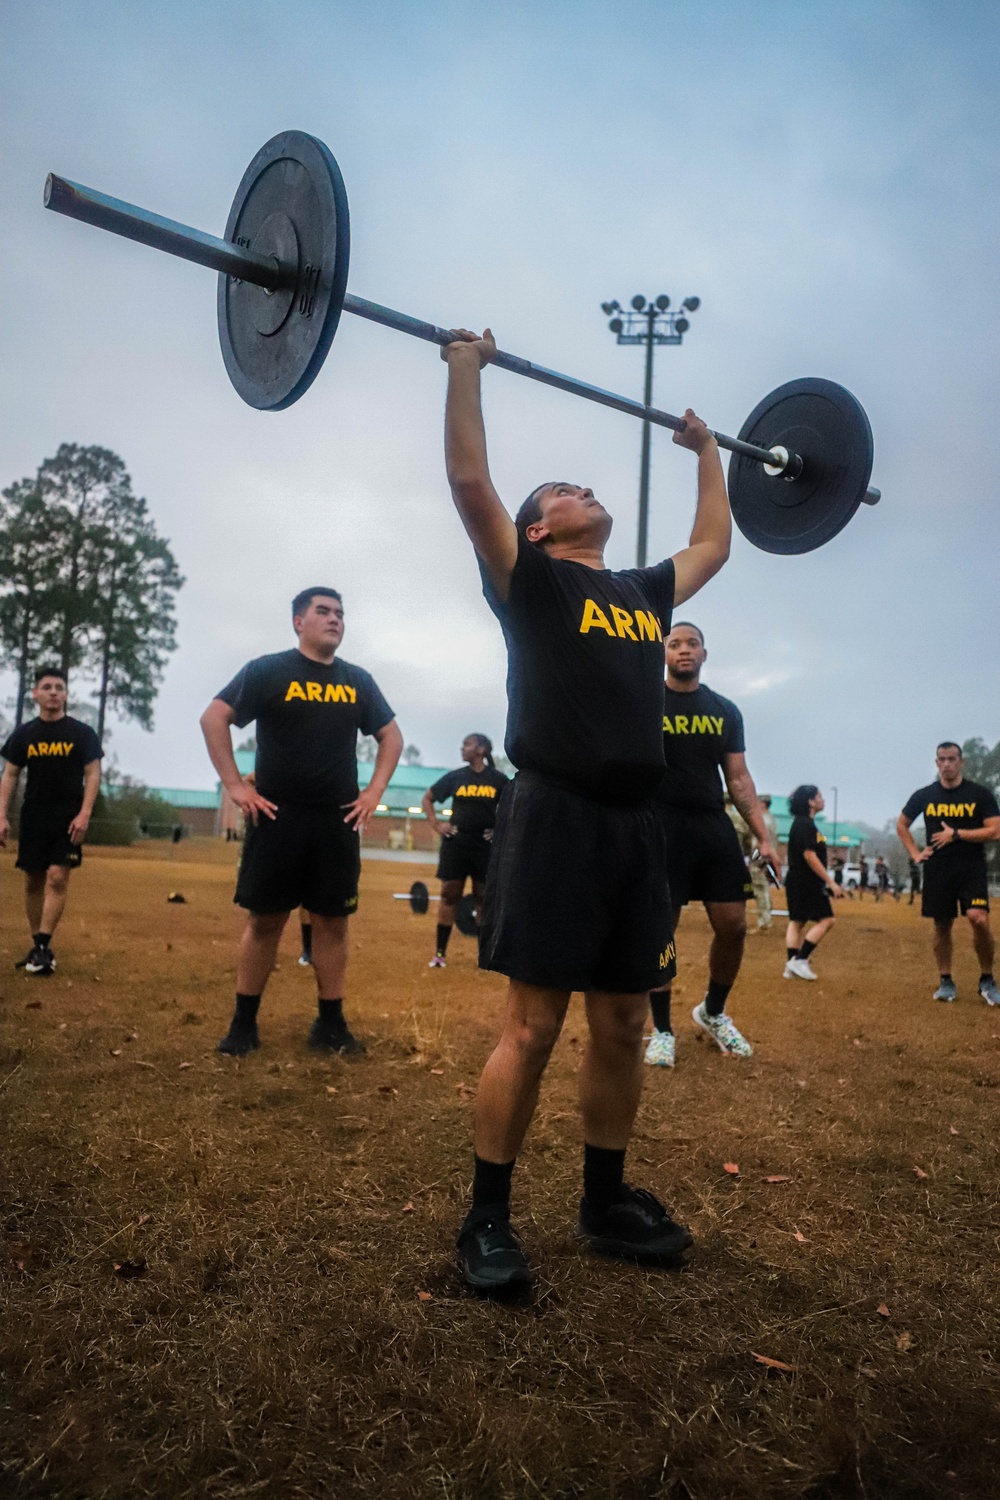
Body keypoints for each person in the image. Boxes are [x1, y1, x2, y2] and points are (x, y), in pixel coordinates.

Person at [440, 326, 732, 1292]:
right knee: (532, 1026)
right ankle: (486, 1220)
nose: (583, 488)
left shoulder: (641, 593)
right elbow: (474, 488)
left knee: (617, 1026)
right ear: (539, 528)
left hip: (637, 827)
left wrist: (708, 455)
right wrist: (466, 368)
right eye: (561, 488)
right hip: (557, 814)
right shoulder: (531, 583)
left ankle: (604, 1202)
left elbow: (714, 544)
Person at [200, 587, 403, 1056]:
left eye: (340, 614)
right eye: (323, 611)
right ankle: (243, 1024)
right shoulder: (269, 671)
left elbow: (391, 736)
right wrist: (236, 786)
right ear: (298, 621)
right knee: (266, 920)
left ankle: (330, 1025)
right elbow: (214, 717)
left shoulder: (358, 680)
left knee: (332, 923)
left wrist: (373, 792)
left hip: (336, 821)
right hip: (277, 818)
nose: (334, 619)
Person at [644, 622, 780, 1069]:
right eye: (674, 644)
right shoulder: (645, 702)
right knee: (662, 929)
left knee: (733, 925)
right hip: (661, 827)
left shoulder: (724, 710)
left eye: (692, 644)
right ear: (663, 653)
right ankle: (661, 1030)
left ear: (705, 654)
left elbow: (738, 779)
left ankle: (713, 1012)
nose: (683, 650)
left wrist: (764, 835)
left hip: (711, 826)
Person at [0, 667, 103, 976]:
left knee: (58, 877)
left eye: (59, 687)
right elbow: (11, 775)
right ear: (35, 694)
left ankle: (43, 946)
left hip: (68, 817)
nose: (54, 692)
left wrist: (84, 813)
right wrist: (1, 815)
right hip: (34, 816)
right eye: (47, 687)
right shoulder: (24, 734)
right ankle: (37, 944)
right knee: (33, 880)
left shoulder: (82, 734)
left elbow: (93, 773)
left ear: (66, 694)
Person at [896, 742, 1000, 1004]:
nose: (947, 764)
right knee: (942, 925)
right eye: (941, 759)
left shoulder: (980, 794)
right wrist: (915, 853)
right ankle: (946, 981)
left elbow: (995, 830)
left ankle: (987, 979)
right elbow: (902, 824)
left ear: (961, 762)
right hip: (938, 869)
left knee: (978, 919)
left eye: (952, 759)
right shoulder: (925, 795)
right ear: (936, 763)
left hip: (971, 868)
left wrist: (956, 834)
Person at [421, 734, 509, 968]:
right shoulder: (456, 777)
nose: (462, 749)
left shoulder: (498, 780)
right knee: (450, 894)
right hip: (456, 845)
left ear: (481, 749)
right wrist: (437, 824)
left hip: (483, 847)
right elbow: (428, 798)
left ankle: (484, 957)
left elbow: (515, 807)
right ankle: (440, 954)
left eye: (467, 745)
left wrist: (500, 830)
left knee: (482, 897)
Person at [783, 785, 844, 980]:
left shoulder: (803, 823)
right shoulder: (805, 825)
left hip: (796, 879)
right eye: (819, 796)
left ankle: (791, 965)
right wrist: (830, 882)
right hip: (806, 880)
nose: (822, 799)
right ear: (810, 801)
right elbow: (809, 855)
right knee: (827, 919)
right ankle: (800, 960)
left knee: (797, 921)